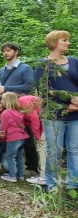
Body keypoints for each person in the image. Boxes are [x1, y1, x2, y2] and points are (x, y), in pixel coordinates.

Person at [34, 30, 78, 193]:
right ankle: (52, 183)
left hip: (75, 114)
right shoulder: (42, 64)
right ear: (54, 42)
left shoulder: (74, 61)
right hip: (53, 114)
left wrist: (76, 104)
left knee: (74, 149)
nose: (68, 43)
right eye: (64, 40)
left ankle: (73, 184)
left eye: (68, 40)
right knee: (55, 149)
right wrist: (68, 99)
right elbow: (43, 89)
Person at [0, 42, 37, 175]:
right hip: (5, 108)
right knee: (8, 134)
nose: (6, 53)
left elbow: (28, 86)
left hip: (21, 107)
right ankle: (9, 162)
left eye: (8, 50)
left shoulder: (25, 68)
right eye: (4, 51)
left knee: (26, 134)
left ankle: (32, 167)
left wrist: (6, 89)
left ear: (16, 51)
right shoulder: (1, 70)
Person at [0, 92, 29, 182]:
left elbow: (3, 128)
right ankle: (20, 175)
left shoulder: (5, 113)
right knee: (19, 156)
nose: (1, 102)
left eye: (2, 100)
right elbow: (22, 125)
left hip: (12, 137)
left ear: (6, 101)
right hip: (21, 137)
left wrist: (1, 137)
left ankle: (12, 176)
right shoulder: (19, 113)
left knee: (11, 156)